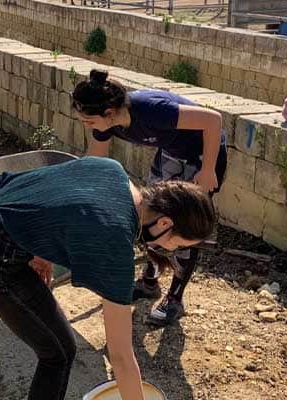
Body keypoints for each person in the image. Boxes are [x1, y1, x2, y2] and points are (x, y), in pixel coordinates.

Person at [0, 156, 216, 400]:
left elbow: (53, 197)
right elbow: (121, 357)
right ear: (165, 222)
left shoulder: (113, 171)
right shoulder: (115, 244)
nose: (173, 250)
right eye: (178, 243)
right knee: (59, 351)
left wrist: (36, 248)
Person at [72, 70, 227, 326]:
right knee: (150, 215)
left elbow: (213, 121)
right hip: (171, 152)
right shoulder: (105, 122)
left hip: (203, 157)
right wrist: (77, 189)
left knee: (182, 228)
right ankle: (149, 282)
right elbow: (95, 158)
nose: (87, 126)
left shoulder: (151, 110)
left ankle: (175, 298)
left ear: (109, 113)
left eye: (89, 121)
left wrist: (208, 169)